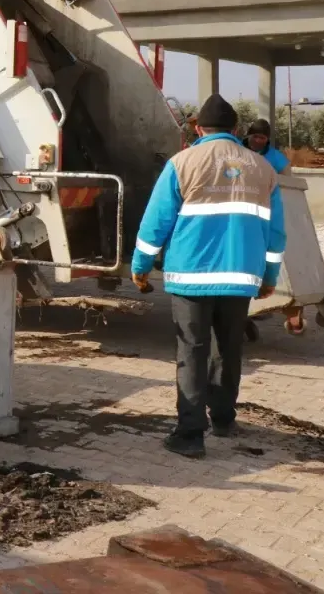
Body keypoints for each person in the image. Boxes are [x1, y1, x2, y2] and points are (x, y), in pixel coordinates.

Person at [130, 95, 286, 459]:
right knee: (229, 349)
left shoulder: (181, 163)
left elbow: (155, 224)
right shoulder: (263, 170)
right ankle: (224, 419)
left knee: (192, 351)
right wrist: (270, 276)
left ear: (198, 129)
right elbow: (276, 234)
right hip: (240, 278)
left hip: (191, 277)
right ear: (236, 130)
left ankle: (189, 435)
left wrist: (140, 265)